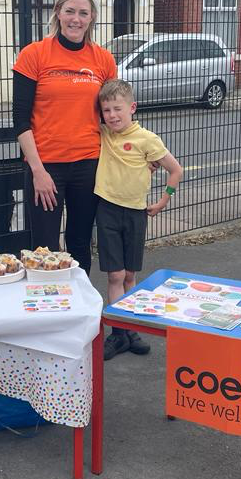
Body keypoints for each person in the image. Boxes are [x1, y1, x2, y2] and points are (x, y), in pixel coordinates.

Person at [13, 0, 118, 273]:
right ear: (58, 12)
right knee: (44, 249)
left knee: (80, 244)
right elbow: (20, 120)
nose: (76, 19)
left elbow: (114, 117)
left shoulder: (103, 60)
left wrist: (139, 153)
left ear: (92, 17)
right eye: (70, 11)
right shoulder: (34, 54)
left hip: (88, 165)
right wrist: (38, 171)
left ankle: (79, 301)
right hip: (46, 167)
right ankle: (47, 302)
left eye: (83, 13)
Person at [94, 79, 184, 360]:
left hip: (135, 213)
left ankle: (130, 330)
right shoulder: (103, 133)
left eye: (117, 109)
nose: (112, 116)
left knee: (131, 276)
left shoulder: (147, 139)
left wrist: (163, 201)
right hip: (107, 210)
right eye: (106, 110)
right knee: (116, 275)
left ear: (132, 107)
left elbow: (176, 170)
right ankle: (118, 333)